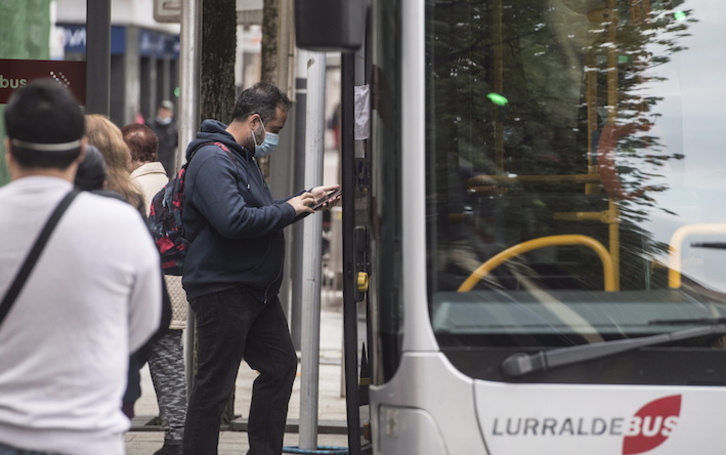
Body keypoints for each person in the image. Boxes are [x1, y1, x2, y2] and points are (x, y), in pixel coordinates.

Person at [0, 79, 162, 454]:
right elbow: (142, 325)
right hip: (87, 436)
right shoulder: (121, 223)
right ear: (80, 153)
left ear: (9, 149)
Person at [181, 81, 339, 455]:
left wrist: (304, 202)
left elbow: (257, 213)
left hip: (255, 290)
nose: (275, 138)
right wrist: (290, 209)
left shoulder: (243, 157)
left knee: (280, 366)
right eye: (276, 129)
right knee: (214, 386)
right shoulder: (213, 160)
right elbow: (233, 221)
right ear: (255, 121)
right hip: (224, 289)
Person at [122, 123, 188, 455]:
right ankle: (176, 436)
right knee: (169, 367)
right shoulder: (167, 183)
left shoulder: (133, 190)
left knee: (129, 366)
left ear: (129, 154)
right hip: (174, 293)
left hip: (148, 294)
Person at [149, 100, 179, 178]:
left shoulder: (173, 128)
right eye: (163, 110)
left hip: (167, 167)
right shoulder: (150, 125)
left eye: (167, 111)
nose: (164, 113)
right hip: (152, 165)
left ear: (171, 113)